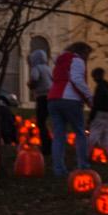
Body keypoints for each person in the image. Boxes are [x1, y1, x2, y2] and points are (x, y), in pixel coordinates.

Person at [46, 41, 92, 176]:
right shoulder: (77, 61)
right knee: (80, 133)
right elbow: (77, 80)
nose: (87, 57)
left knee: (58, 136)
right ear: (81, 51)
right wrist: (89, 97)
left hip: (53, 98)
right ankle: (83, 166)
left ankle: (59, 169)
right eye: (86, 54)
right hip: (70, 99)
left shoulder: (59, 63)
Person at [26, 36, 52, 148]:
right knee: (47, 120)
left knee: (40, 122)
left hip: (42, 97)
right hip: (52, 97)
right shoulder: (48, 69)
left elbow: (34, 79)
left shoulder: (36, 68)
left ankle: (46, 144)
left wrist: (30, 85)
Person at [86, 67, 108, 158]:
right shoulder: (106, 87)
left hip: (100, 112)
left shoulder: (100, 88)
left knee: (95, 131)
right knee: (105, 132)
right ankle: (107, 149)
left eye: (94, 77)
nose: (93, 79)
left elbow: (97, 104)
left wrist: (91, 117)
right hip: (107, 112)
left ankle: (93, 150)